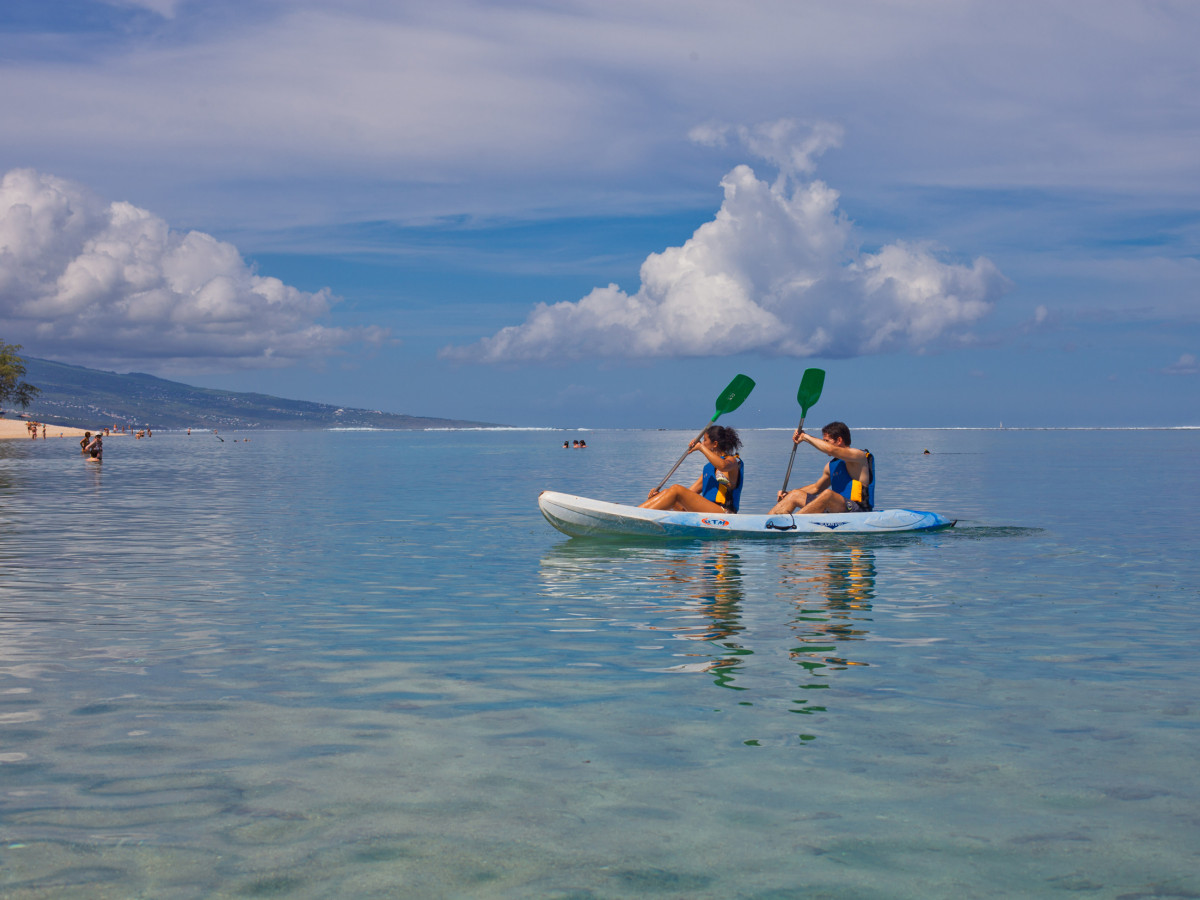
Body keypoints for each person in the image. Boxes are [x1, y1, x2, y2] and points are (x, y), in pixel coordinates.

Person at [770, 421, 873, 514]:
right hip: (835, 509)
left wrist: (805, 437)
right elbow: (816, 488)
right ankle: (767, 521)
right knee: (794, 494)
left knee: (828, 494)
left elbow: (831, 450)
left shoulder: (858, 456)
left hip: (857, 510)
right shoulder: (831, 466)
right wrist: (788, 494)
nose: (824, 443)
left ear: (839, 440)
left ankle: (792, 522)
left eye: (826, 441)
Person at [640, 425, 744, 513]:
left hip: (724, 512)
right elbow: (687, 494)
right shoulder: (708, 469)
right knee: (670, 492)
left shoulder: (732, 461)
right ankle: (638, 513)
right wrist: (661, 497)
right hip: (707, 513)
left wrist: (700, 448)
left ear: (715, 444)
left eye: (705, 440)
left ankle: (639, 516)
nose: (702, 443)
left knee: (676, 489)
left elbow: (723, 466)